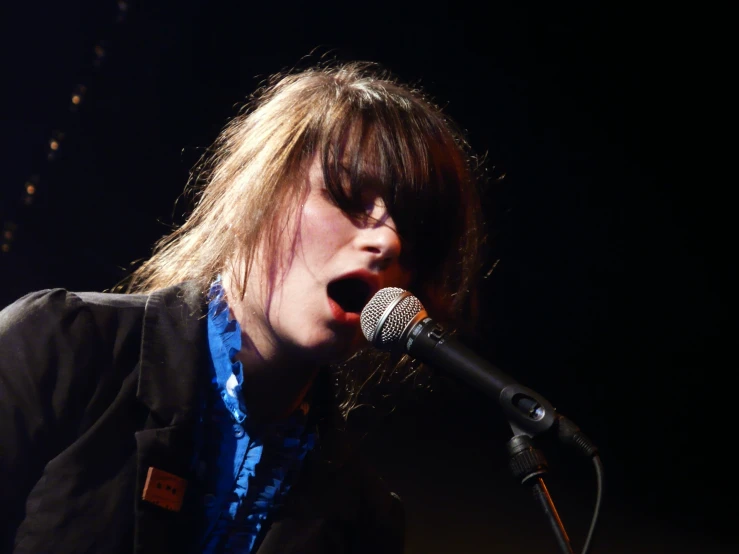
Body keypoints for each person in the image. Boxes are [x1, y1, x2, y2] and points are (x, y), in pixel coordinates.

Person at [0, 61, 484, 554]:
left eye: (413, 231)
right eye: (350, 198)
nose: (387, 240)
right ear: (249, 195)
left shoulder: (364, 521)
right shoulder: (63, 345)